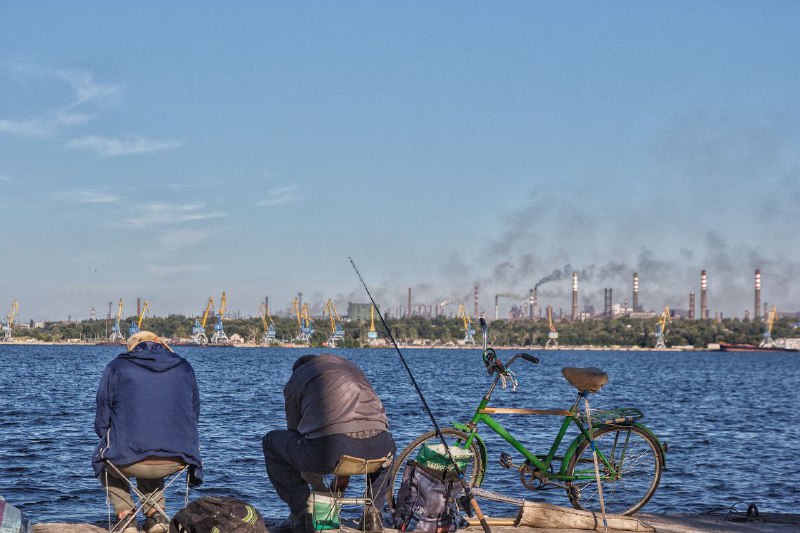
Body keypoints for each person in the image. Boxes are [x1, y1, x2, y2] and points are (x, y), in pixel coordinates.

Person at [263, 354, 395, 533]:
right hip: (381, 446)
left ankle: (301, 516)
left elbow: (296, 437)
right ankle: (373, 515)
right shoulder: (352, 368)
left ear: (297, 370)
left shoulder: (296, 381)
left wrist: (319, 487)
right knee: (388, 455)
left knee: (271, 442)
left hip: (333, 450)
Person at [92, 331, 203, 533]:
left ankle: (125, 516)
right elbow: (194, 413)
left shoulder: (116, 367)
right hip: (178, 459)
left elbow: (102, 418)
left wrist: (109, 437)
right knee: (150, 445)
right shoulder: (185, 367)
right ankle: (155, 514)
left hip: (129, 461)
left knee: (104, 457)